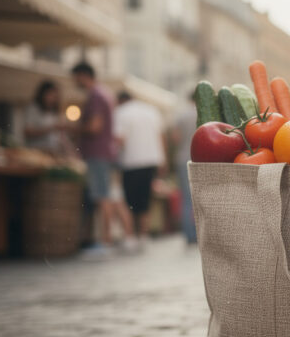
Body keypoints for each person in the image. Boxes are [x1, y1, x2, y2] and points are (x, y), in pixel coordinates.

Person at [71, 62, 116, 259]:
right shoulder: (103, 93)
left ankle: (105, 241)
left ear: (83, 75)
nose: (75, 81)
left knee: (101, 196)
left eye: (76, 77)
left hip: (97, 152)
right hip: (102, 152)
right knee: (102, 195)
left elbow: (95, 126)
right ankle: (104, 240)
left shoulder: (96, 96)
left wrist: (74, 128)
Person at [114, 91, 165, 242]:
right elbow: (160, 136)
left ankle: (130, 237)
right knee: (144, 199)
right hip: (151, 160)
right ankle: (144, 235)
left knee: (129, 200)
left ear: (120, 101)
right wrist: (163, 160)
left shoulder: (120, 113)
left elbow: (120, 139)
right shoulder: (151, 111)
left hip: (130, 161)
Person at [172, 93, 198, 244]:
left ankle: (189, 235)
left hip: (183, 158)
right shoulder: (203, 113)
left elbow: (176, 138)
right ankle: (202, 233)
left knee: (186, 199)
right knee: (200, 197)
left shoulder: (182, 116)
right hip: (200, 159)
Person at [24, 81, 71, 156]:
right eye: (50, 95)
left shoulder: (56, 112)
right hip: (37, 152)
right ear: (43, 94)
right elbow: (27, 132)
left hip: (54, 152)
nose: (53, 98)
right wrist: (52, 128)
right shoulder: (33, 109)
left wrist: (70, 152)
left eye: (55, 96)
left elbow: (62, 137)